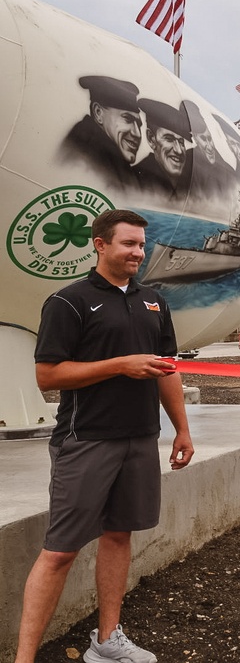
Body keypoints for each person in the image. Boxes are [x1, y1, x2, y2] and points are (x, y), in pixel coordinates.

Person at [15, 209, 194, 663]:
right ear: (100, 244)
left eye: (141, 244)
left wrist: (182, 430)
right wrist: (119, 365)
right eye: (129, 244)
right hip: (86, 440)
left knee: (119, 536)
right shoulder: (68, 302)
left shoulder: (154, 301)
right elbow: (47, 376)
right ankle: (23, 658)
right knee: (59, 552)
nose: (139, 252)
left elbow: (167, 370)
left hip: (140, 439)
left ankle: (107, 641)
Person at [60, 75, 143, 193]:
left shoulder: (109, 158)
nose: (137, 134)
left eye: (138, 124)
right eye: (128, 119)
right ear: (98, 113)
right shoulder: (87, 157)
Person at [134, 99, 193, 201]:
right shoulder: (134, 179)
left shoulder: (191, 184)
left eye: (181, 142)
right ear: (151, 139)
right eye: (169, 139)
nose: (178, 150)